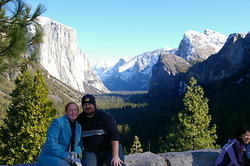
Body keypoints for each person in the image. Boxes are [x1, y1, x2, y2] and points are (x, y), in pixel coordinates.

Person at [77, 94, 125, 166]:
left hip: (109, 149)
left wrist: (115, 156)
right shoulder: (79, 119)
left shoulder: (105, 117)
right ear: (82, 106)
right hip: (91, 151)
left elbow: (114, 136)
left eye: (90, 103)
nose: (87, 106)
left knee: (117, 164)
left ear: (94, 104)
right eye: (85, 104)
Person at [37, 102, 82, 166]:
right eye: (70, 110)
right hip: (52, 155)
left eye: (75, 110)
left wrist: (76, 154)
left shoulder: (79, 125)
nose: (73, 112)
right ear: (66, 112)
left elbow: (79, 143)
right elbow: (51, 142)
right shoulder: (58, 122)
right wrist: (65, 155)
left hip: (69, 156)